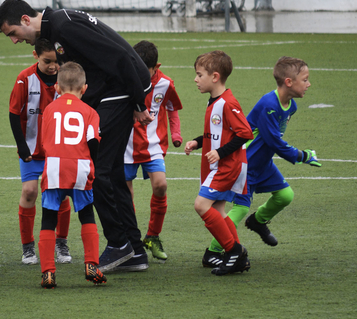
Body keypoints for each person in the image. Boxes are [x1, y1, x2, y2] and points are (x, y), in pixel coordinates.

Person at [0, 0, 154, 273]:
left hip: (123, 90)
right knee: (113, 172)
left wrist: (139, 103)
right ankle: (134, 250)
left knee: (98, 169)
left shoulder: (63, 26)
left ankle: (119, 243)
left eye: (12, 34)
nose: (14, 41)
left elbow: (119, 56)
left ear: (24, 20)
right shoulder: (57, 26)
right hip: (117, 90)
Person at [204, 56, 320, 263]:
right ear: (289, 82)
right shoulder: (269, 104)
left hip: (264, 164)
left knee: (285, 195)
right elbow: (274, 141)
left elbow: (271, 143)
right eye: (305, 79)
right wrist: (302, 155)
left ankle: (258, 222)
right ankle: (213, 251)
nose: (309, 84)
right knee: (239, 208)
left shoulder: (291, 106)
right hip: (246, 165)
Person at [184, 50, 253, 276]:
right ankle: (238, 256)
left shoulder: (227, 102)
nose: (195, 79)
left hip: (227, 165)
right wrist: (197, 141)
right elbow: (216, 132)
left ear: (214, 77)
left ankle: (233, 251)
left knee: (201, 205)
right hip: (220, 164)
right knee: (219, 211)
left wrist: (220, 153)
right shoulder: (214, 101)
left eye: (199, 74)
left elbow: (245, 133)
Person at [38, 61, 106, 288]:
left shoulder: (49, 110)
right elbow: (93, 142)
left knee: (49, 218)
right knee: (86, 215)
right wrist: (92, 165)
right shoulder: (90, 111)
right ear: (84, 89)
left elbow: (45, 141)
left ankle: (48, 272)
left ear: (56, 88)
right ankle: (91, 266)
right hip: (80, 167)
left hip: (55, 167)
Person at [9, 38, 72, 265]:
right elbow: (14, 114)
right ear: (36, 56)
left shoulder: (65, 80)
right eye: (48, 61)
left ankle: (61, 243)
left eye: (56, 61)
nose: (53, 66)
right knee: (29, 192)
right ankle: (27, 248)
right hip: (31, 149)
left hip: (57, 150)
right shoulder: (24, 79)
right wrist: (22, 145)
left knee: (61, 194)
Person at [124, 40, 183, 263]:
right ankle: (131, 239)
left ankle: (153, 236)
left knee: (161, 185)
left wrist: (176, 133)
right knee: (125, 196)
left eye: (144, 70)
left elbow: (172, 108)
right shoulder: (124, 80)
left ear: (155, 67)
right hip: (126, 146)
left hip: (153, 145)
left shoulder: (166, 84)